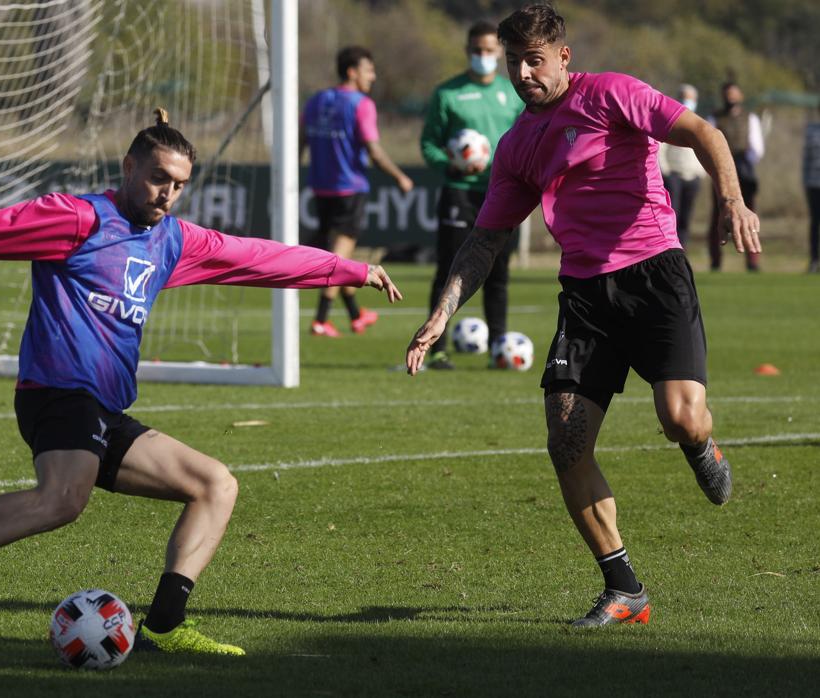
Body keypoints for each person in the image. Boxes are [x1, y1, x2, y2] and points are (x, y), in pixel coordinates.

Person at [0, 109, 402, 654]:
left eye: (178, 184)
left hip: (104, 410)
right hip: (55, 394)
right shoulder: (74, 219)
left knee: (214, 485)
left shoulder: (173, 240)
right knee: (61, 500)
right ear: (128, 169)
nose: (168, 193)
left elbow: (259, 257)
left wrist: (351, 270)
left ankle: (166, 626)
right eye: (157, 179)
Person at [404, 4, 760, 627]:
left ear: (563, 57)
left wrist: (732, 200)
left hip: (654, 276)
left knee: (680, 418)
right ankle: (624, 587)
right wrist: (442, 313)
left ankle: (702, 444)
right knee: (566, 444)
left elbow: (706, 133)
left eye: (533, 61)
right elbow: (484, 240)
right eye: (514, 62)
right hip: (586, 298)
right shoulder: (517, 145)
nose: (522, 74)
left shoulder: (613, 95)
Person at [419, 20, 523, 370]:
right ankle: (437, 348)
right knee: (451, 270)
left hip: (504, 193)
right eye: (477, 50)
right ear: (468, 52)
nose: (483, 56)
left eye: (490, 51)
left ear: (499, 53)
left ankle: (498, 346)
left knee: (499, 272)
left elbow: (528, 138)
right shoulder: (447, 93)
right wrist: (451, 166)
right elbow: (429, 144)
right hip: (459, 193)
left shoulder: (514, 93)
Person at [301, 46, 413, 338]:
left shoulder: (316, 101)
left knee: (341, 255)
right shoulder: (361, 104)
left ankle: (355, 314)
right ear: (352, 72)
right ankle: (321, 319)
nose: (373, 77)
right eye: (369, 70)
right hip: (349, 189)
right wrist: (400, 176)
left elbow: (300, 142)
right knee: (339, 257)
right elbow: (373, 151)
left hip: (321, 189)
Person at [706, 81, 763, 271]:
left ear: (740, 96)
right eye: (727, 94)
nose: (730, 98)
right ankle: (716, 261)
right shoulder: (714, 118)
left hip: (745, 173)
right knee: (718, 215)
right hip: (720, 173)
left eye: (733, 94)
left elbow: (757, 148)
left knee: (749, 215)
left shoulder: (750, 118)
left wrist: (743, 163)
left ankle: (752, 261)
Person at [657, 84, 707, 248]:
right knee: (673, 215)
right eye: (684, 97)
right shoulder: (669, 121)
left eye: (690, 98)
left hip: (693, 177)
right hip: (674, 175)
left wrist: (701, 172)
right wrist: (667, 172)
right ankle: (669, 247)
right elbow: (660, 149)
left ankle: (682, 248)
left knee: (686, 216)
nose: (687, 101)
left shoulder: (701, 122)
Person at [803, 113, 820, 274]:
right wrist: (806, 182)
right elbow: (806, 158)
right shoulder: (812, 130)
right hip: (814, 183)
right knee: (815, 224)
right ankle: (814, 260)